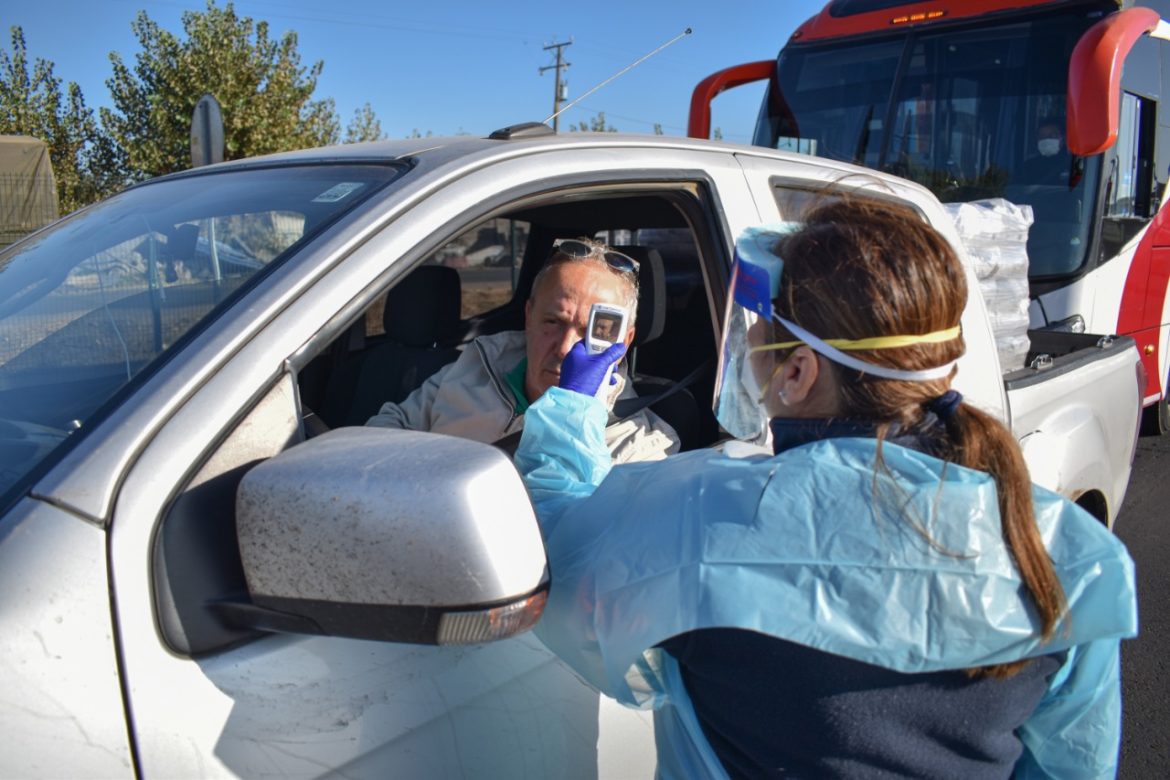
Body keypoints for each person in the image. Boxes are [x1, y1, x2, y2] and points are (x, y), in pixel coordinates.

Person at [515, 199, 1136, 778]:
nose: (750, 348)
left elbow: (554, 545)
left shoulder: (700, 516)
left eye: (759, 335)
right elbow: (1068, 766)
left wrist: (573, 403)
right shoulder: (1070, 552)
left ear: (798, 370)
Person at [367, 238, 679, 462]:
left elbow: (575, 542)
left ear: (623, 343)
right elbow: (387, 430)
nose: (566, 347)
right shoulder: (475, 367)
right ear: (528, 316)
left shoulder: (641, 447)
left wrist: (572, 414)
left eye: (592, 331)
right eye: (553, 321)